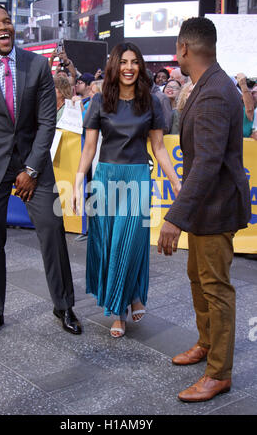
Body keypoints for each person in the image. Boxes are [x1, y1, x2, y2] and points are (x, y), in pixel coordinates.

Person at [0, 4, 82, 338]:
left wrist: (31, 169)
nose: (4, 27)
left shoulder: (38, 65)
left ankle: (64, 305)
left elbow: (46, 123)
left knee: (53, 231)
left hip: (34, 163)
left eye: (8, 21)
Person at [158, 17, 251, 402]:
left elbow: (208, 163)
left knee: (216, 287)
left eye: (176, 49)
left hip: (216, 209)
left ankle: (219, 373)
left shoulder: (214, 91)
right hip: (206, 208)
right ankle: (207, 343)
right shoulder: (210, 83)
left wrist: (174, 218)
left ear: (184, 48)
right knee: (199, 278)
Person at [72, 42, 181, 338]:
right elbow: (90, 147)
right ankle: (121, 307)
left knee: (128, 241)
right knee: (109, 243)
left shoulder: (151, 102)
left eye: (134, 62)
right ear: (115, 66)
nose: (129, 67)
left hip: (136, 178)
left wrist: (174, 179)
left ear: (140, 66)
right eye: (123, 61)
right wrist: (79, 180)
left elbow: (158, 147)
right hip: (106, 178)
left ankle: (129, 296)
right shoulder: (99, 101)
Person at [236, 73, 255, 137]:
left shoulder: (252, 111)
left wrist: (243, 85)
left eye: (254, 93)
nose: (251, 95)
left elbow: (250, 110)